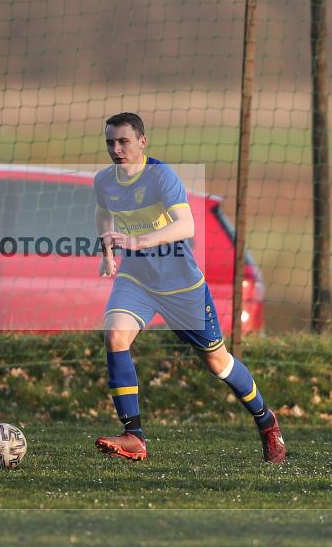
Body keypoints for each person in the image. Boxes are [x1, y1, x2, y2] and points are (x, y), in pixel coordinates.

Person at [93, 112, 287, 463]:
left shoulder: (162, 177)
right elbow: (104, 214)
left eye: (123, 141)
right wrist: (108, 254)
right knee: (115, 336)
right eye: (110, 142)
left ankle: (266, 420)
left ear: (142, 142)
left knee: (218, 364)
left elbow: (186, 226)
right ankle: (133, 436)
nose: (116, 149)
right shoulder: (105, 181)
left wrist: (139, 241)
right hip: (137, 279)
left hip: (181, 287)